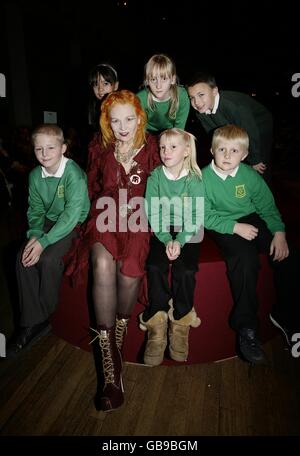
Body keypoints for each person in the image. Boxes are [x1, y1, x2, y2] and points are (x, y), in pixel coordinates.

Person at [65, 90, 161, 411]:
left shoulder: (153, 147)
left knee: (131, 267)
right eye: (115, 119)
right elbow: (92, 187)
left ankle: (117, 342)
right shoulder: (99, 147)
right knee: (103, 265)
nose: (122, 126)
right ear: (107, 120)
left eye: (129, 119)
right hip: (104, 213)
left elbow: (170, 183)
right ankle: (109, 373)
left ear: (139, 118)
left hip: (138, 214)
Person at [202, 124, 299, 364]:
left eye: (234, 151)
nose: (227, 156)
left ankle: (287, 317)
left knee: (288, 256)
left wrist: (278, 231)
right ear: (212, 150)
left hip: (251, 217)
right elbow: (203, 216)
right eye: (222, 149)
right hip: (221, 222)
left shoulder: (249, 175)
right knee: (244, 261)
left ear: (244, 155)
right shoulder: (202, 178)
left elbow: (266, 205)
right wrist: (235, 227)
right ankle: (247, 330)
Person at [7, 124, 90, 357]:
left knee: (49, 260)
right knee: (23, 257)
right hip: (48, 224)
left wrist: (45, 243)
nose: (44, 154)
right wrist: (34, 236)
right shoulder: (34, 175)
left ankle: (45, 314)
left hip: (74, 224)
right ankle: (32, 322)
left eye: (51, 148)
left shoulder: (73, 174)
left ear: (63, 148)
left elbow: (72, 215)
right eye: (38, 149)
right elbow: (35, 211)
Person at [139, 128, 203, 366]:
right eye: (163, 147)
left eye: (173, 147)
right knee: (155, 266)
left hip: (189, 230)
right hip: (162, 228)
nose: (166, 152)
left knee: (185, 270)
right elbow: (153, 211)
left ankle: (181, 320)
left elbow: (196, 215)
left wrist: (181, 239)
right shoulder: (156, 176)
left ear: (186, 151)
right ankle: (157, 320)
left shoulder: (194, 179)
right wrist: (166, 239)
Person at [187, 72, 273, 179]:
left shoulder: (233, 106)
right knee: (235, 157)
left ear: (214, 91)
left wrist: (255, 160)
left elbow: (250, 131)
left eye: (201, 95)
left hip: (259, 126)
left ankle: (262, 186)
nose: (197, 102)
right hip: (234, 126)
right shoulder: (201, 112)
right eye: (192, 98)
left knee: (258, 165)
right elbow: (214, 134)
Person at [87, 63, 119, 201]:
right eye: (95, 84)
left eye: (106, 83)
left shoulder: (122, 104)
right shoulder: (94, 107)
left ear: (115, 85)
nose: (100, 89)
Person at [137, 54, 190, 134]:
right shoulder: (140, 99)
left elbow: (179, 130)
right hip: (147, 132)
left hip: (171, 132)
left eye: (164, 78)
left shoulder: (182, 96)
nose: (158, 86)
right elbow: (138, 129)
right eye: (153, 79)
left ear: (172, 79)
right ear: (147, 81)